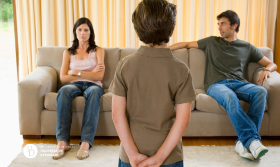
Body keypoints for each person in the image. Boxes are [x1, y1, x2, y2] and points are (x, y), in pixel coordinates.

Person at [168, 10, 277, 161]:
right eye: (218, 24)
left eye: (223, 24)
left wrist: (266, 70)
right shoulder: (212, 41)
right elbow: (186, 44)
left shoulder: (246, 47)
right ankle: (252, 141)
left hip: (240, 84)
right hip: (217, 85)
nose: (219, 28)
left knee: (261, 92)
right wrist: (166, 50)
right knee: (230, 97)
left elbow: (272, 63)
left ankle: (243, 142)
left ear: (234, 26)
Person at [109, 0, 196, 166]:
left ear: (137, 31)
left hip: (130, 156)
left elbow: (117, 115)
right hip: (169, 157)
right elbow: (183, 120)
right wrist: (159, 158)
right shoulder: (181, 69)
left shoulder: (124, 65)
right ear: (171, 32)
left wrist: (133, 154)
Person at [52, 17, 105, 160]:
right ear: (75, 32)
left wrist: (76, 72)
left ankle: (86, 143)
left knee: (94, 92)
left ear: (91, 32)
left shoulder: (98, 50)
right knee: (63, 91)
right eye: (79, 29)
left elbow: (99, 76)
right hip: (73, 85)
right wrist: (90, 73)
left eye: (86, 30)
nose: (83, 33)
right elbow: (63, 78)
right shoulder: (68, 52)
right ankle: (63, 142)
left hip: (94, 85)